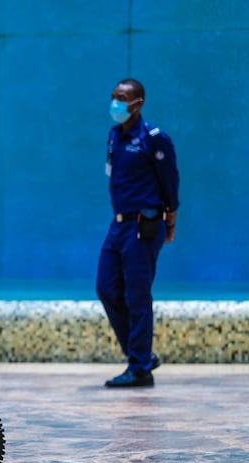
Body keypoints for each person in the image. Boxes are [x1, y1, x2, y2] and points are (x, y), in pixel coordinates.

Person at [97, 78, 180, 388]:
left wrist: (169, 221)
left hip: (143, 224)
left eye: (122, 97)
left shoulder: (154, 138)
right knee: (106, 287)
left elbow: (170, 182)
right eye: (114, 96)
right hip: (118, 224)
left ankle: (140, 368)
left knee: (137, 294)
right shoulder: (114, 136)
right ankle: (140, 354)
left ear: (138, 102)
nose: (115, 103)